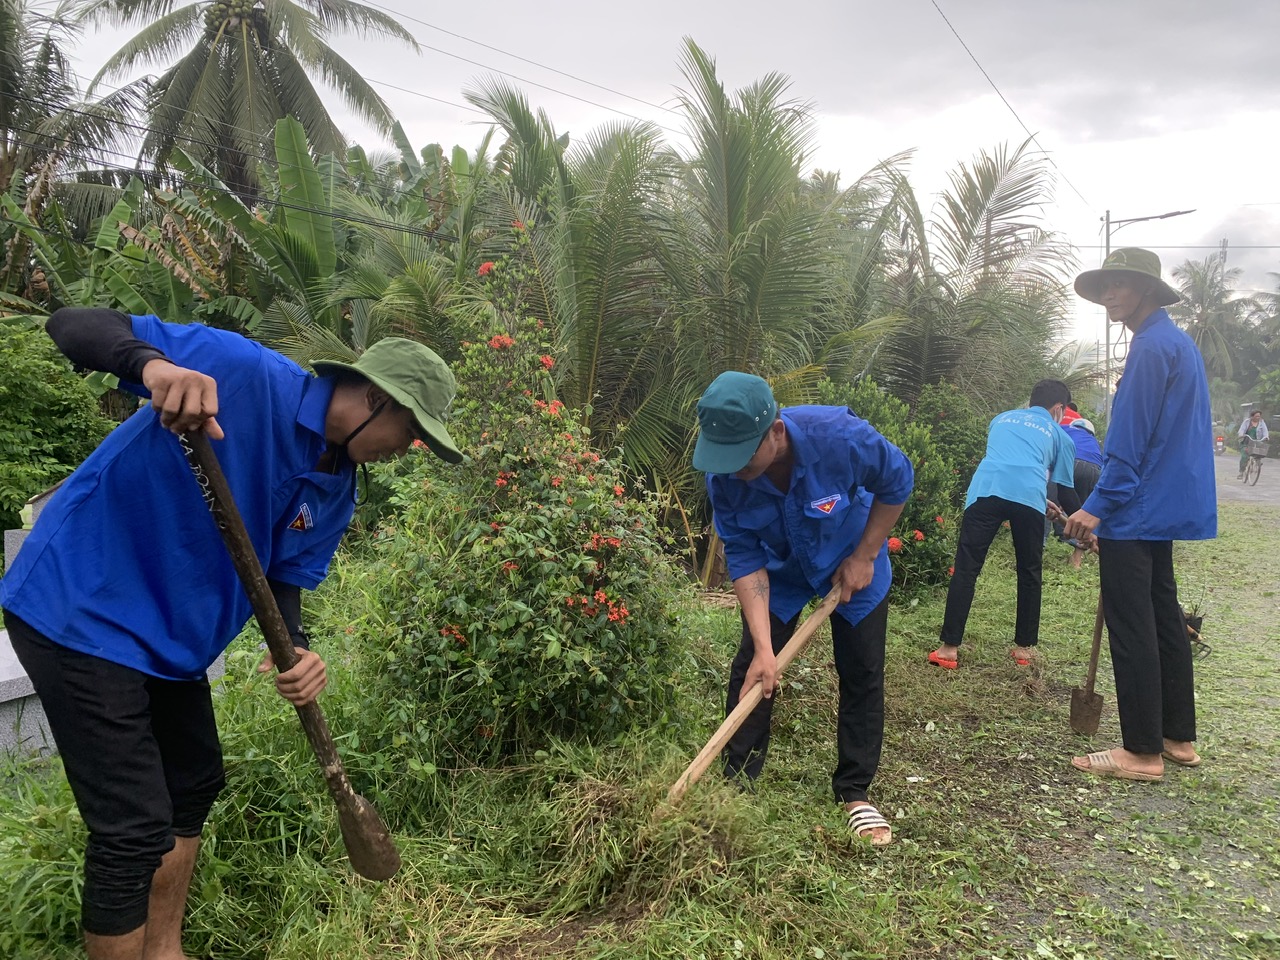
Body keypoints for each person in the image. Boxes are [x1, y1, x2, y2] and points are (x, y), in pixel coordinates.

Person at [0, 307, 462, 960]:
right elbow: (73, 325)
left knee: (194, 781)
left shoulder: (339, 489)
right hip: (79, 603)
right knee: (133, 826)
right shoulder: (246, 373)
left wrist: (298, 650)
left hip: (172, 641)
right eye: (412, 429)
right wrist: (154, 367)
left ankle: (164, 950)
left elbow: (283, 581)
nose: (409, 447)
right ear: (374, 397)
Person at [694, 372, 914, 845]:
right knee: (751, 671)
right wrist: (763, 647)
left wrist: (866, 555)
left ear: (775, 431)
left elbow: (897, 480)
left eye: (741, 458)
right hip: (781, 574)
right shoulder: (724, 475)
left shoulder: (839, 437)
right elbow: (745, 555)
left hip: (853, 560)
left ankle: (854, 791)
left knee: (862, 670)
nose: (732, 472)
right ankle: (736, 782)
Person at [1064, 248, 1216, 781]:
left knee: (1132, 624)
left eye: (1121, 284)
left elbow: (1130, 443)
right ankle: (1178, 738)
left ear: (1147, 289)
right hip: (1163, 507)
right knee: (1163, 618)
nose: (1109, 294)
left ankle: (1141, 751)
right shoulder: (1179, 344)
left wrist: (1095, 508)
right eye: (1105, 284)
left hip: (1135, 507)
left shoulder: (1150, 349)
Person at [928, 380, 1081, 669]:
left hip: (986, 491)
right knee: (1029, 571)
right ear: (1059, 408)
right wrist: (1085, 526)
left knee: (967, 568)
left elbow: (1009, 460)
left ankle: (948, 650)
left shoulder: (1000, 418)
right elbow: (1066, 492)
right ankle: (1024, 650)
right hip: (1028, 498)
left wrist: (1036, 496)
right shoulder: (1061, 436)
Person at [1060, 418, 1103, 569]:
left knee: (1059, 497)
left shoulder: (1066, 429)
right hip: (1095, 470)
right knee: (1085, 512)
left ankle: (1041, 543)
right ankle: (1077, 559)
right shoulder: (1094, 442)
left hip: (1073, 463)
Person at [1236, 409, 1269, 478]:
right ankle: (1241, 472)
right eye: (1256, 416)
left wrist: (1266, 437)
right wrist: (1241, 434)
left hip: (1256, 442)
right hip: (1246, 442)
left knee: (1259, 453)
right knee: (1245, 456)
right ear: (1252, 416)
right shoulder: (1247, 422)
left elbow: (1265, 431)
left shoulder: (1262, 422)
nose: (1258, 418)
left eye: (1259, 416)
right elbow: (1242, 430)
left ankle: (1257, 462)